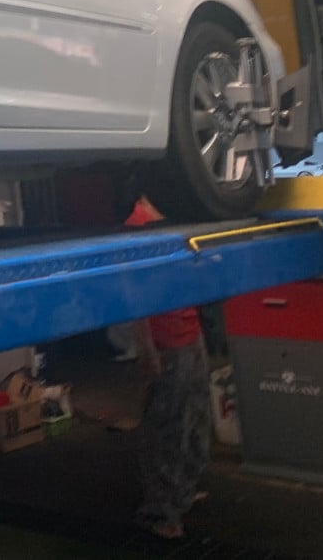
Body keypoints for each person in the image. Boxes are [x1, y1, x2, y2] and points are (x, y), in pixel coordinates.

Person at [125, 195, 211, 540]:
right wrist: (146, 349)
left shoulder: (170, 218)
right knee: (166, 427)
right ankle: (162, 512)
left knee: (196, 418)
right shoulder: (137, 227)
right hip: (166, 342)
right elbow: (135, 298)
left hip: (190, 332)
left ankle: (184, 491)